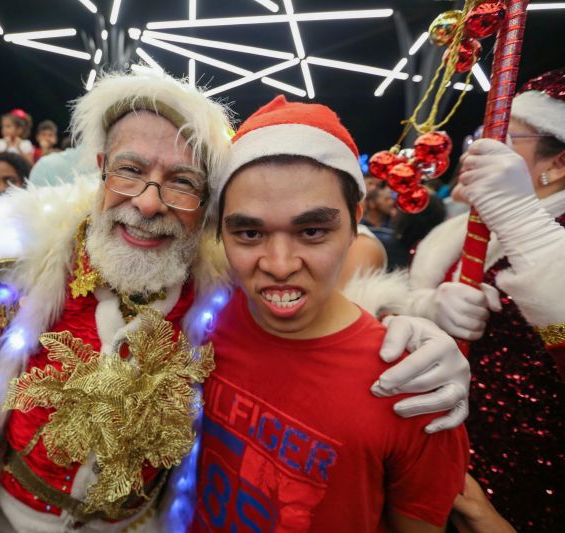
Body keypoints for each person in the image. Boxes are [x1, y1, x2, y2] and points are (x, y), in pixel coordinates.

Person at [0, 72, 470, 533]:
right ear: (99, 171)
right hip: (11, 515)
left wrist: (410, 330)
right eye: (130, 171)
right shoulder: (23, 258)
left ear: (207, 207)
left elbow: (313, 319)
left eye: (181, 181)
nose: (148, 203)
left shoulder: (223, 290)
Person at [195, 95, 469, 532]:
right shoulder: (197, 320)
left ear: (356, 221)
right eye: (249, 232)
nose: (279, 264)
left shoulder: (414, 381)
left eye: (312, 231)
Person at [407, 68, 565, 530]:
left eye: (504, 138)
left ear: (556, 164)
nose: (477, 149)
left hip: (533, 473)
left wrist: (523, 223)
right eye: (481, 134)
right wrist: (426, 308)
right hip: (448, 451)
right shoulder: (462, 232)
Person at [362, 182, 394, 248]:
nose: (391, 202)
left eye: (391, 199)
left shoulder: (393, 226)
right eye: (386, 199)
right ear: (372, 203)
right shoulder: (360, 226)